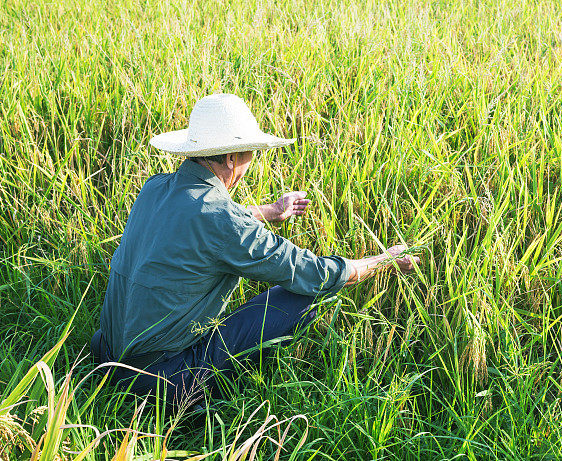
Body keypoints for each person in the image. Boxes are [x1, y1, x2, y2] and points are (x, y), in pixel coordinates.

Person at [90, 93, 421, 407]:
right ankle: (224, 397)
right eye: (250, 155)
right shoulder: (223, 222)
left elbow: (203, 222)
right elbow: (315, 274)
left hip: (103, 356)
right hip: (162, 382)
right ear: (232, 159)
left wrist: (272, 212)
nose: (250, 164)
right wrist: (386, 258)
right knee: (302, 296)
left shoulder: (155, 188)